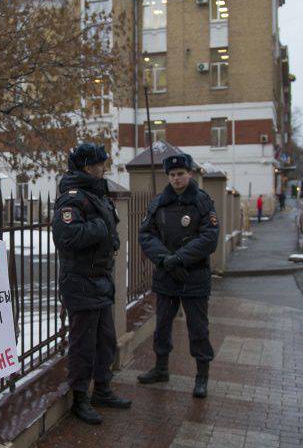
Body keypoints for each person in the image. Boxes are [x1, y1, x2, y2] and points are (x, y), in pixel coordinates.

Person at [51, 143, 132, 425]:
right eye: (100, 163)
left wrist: (111, 237)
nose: (104, 167)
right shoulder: (72, 198)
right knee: (83, 344)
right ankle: (80, 398)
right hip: (81, 283)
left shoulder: (98, 194)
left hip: (101, 281)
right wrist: (102, 229)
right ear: (87, 166)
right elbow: (66, 237)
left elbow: (110, 229)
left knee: (105, 342)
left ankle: (103, 389)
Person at [137, 154, 220, 398]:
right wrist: (166, 259)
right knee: (162, 326)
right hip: (167, 277)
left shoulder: (202, 202)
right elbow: (146, 235)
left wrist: (180, 258)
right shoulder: (159, 203)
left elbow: (209, 238)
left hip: (194, 277)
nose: (176, 178)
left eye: (180, 174)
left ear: (190, 174)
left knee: (198, 330)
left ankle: (202, 376)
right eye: (172, 175)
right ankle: (161, 369)